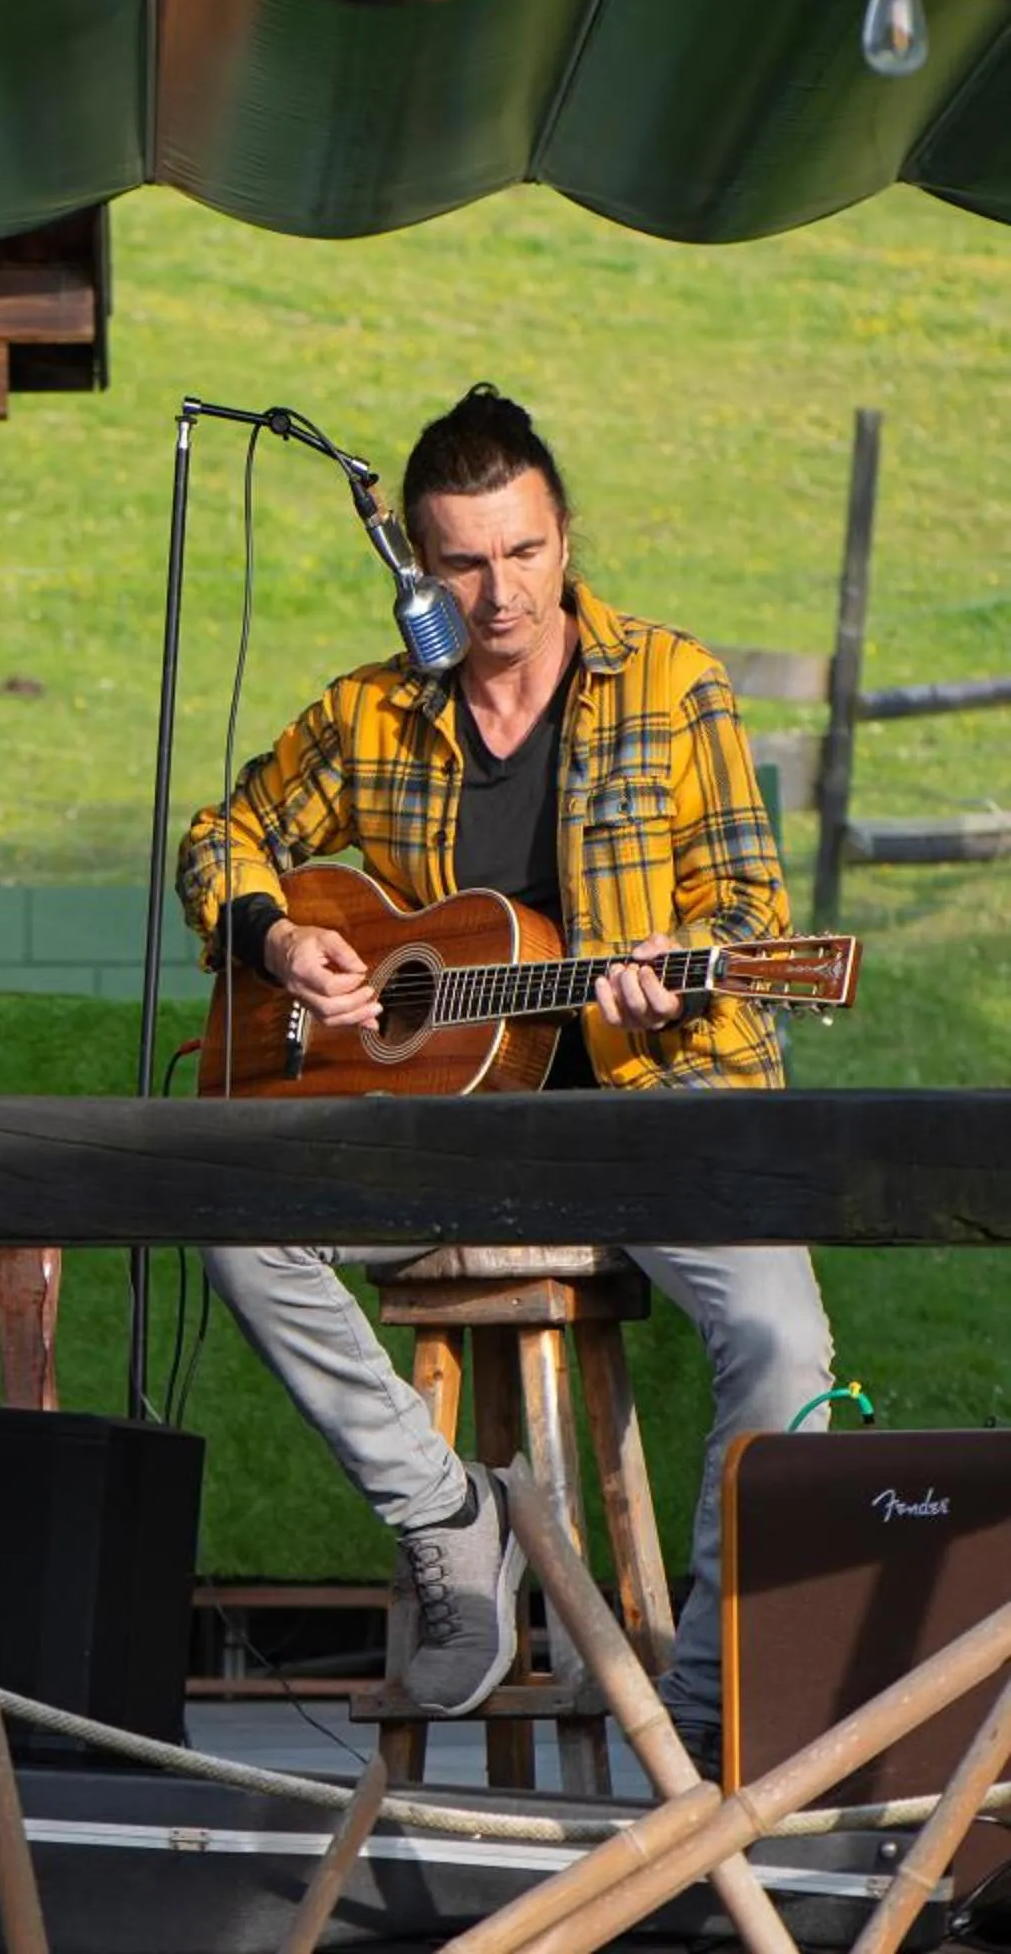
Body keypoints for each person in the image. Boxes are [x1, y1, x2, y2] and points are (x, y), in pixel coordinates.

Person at [176, 384, 833, 1768]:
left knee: (785, 1349)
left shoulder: (671, 681)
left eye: (524, 552)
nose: (501, 592)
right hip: (450, 1126)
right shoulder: (373, 715)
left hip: (662, 1105)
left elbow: (752, 910)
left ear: (564, 535)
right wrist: (280, 933)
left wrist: (683, 958)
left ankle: (706, 1716)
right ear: (422, 567)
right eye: (465, 563)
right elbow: (219, 834)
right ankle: (446, 1519)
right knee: (232, 1216)